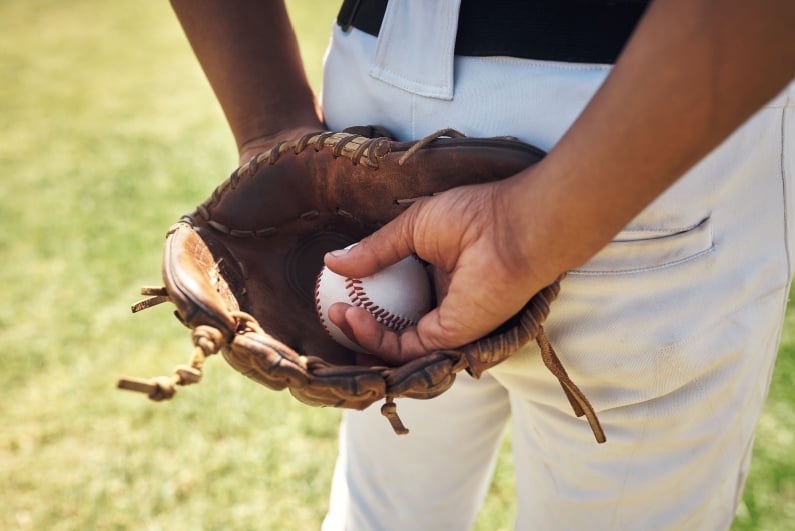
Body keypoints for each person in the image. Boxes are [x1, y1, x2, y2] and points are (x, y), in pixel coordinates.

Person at [169, 0, 795, 528]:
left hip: (381, 95)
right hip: (630, 127)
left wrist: (269, 120)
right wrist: (523, 240)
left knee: (382, 515)